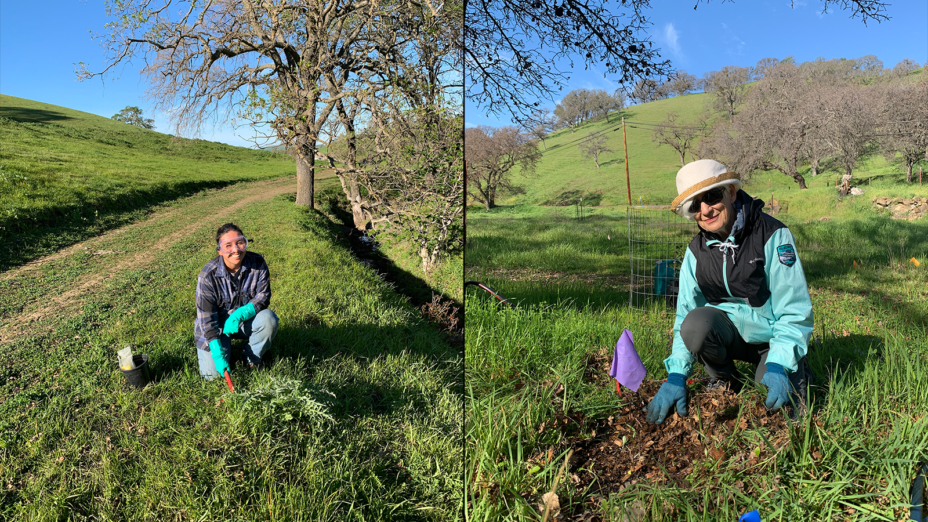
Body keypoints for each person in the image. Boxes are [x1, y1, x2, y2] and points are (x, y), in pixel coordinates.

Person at [646, 159, 814, 424]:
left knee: (779, 410)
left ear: (731, 193)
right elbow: (685, 317)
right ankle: (724, 379)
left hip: (771, 338)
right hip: (730, 335)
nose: (705, 209)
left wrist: (779, 364)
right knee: (695, 325)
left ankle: (792, 366)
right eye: (695, 205)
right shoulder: (695, 252)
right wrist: (676, 376)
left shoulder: (773, 235)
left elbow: (794, 311)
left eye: (712, 196)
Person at [195, 223, 279, 380]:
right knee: (212, 376)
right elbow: (205, 318)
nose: (236, 250)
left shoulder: (258, 263)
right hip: (216, 325)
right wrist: (215, 346)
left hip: (244, 321)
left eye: (240, 243)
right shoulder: (207, 276)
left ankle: (252, 357)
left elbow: (263, 295)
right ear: (220, 251)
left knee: (269, 319)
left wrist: (240, 314)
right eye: (228, 246)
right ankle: (221, 349)